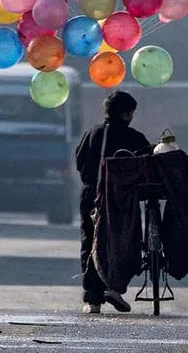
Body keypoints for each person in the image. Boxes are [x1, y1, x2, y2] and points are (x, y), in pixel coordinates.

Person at [74, 90, 152, 315]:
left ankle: (93, 299)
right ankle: (115, 288)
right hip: (121, 199)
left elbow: (80, 164)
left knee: (90, 243)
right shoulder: (134, 138)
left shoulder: (92, 133)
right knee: (124, 242)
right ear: (126, 115)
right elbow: (148, 165)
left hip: (91, 195)